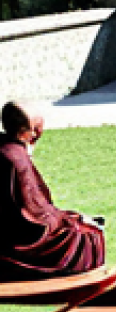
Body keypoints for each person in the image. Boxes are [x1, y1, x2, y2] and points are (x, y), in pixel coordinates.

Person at [0, 100, 105, 280]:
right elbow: (35, 215)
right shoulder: (16, 160)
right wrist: (74, 219)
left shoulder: (6, 148)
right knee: (90, 237)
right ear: (33, 132)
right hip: (15, 239)